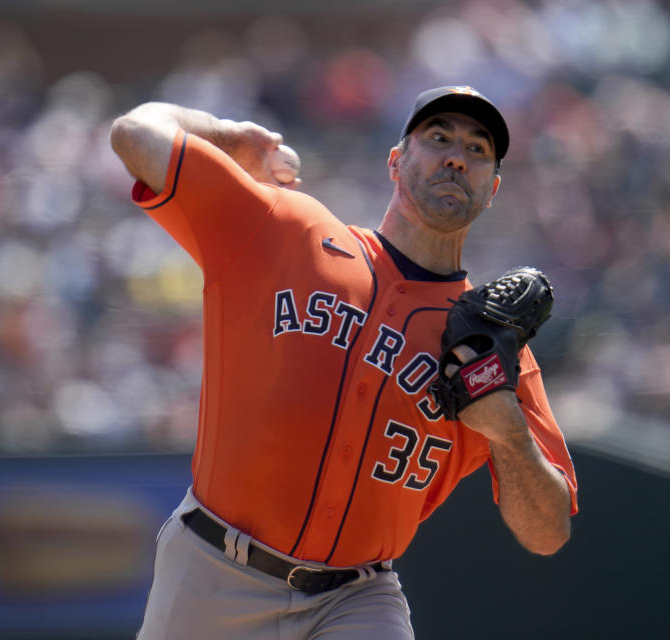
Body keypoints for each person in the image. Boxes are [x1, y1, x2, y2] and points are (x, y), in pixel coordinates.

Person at [110, 85, 579, 639]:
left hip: (355, 600)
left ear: (492, 189)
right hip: (213, 571)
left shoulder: (492, 350)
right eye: (439, 137)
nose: (457, 156)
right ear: (396, 161)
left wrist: (509, 434)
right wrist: (227, 135)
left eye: (479, 150)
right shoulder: (287, 230)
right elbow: (134, 135)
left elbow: (547, 532)